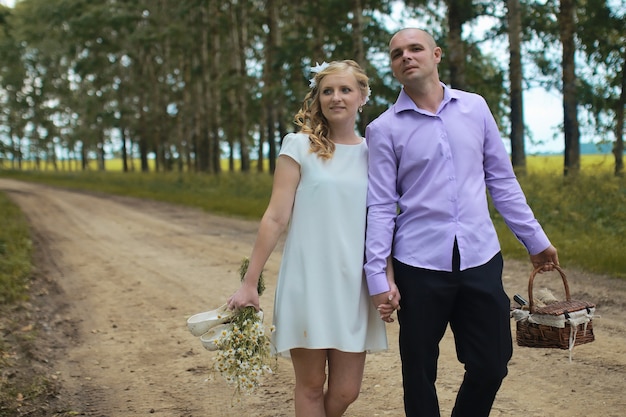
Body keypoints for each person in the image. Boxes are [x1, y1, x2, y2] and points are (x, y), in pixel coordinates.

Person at [364, 28, 559, 417]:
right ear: (393, 68)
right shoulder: (383, 129)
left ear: (436, 55)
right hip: (417, 264)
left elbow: (501, 181)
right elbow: (381, 206)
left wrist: (535, 240)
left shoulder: (475, 108)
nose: (406, 56)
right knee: (419, 371)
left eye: (415, 48)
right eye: (397, 53)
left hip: (480, 257)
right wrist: (377, 276)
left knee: (492, 362)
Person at [227, 60, 390, 417]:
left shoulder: (375, 153)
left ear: (362, 96)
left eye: (345, 90)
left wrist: (388, 278)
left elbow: (384, 221)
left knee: (347, 390)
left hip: (354, 286)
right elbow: (275, 216)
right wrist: (249, 283)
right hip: (307, 282)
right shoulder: (298, 146)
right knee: (311, 386)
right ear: (317, 98)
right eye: (327, 91)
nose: (336, 98)